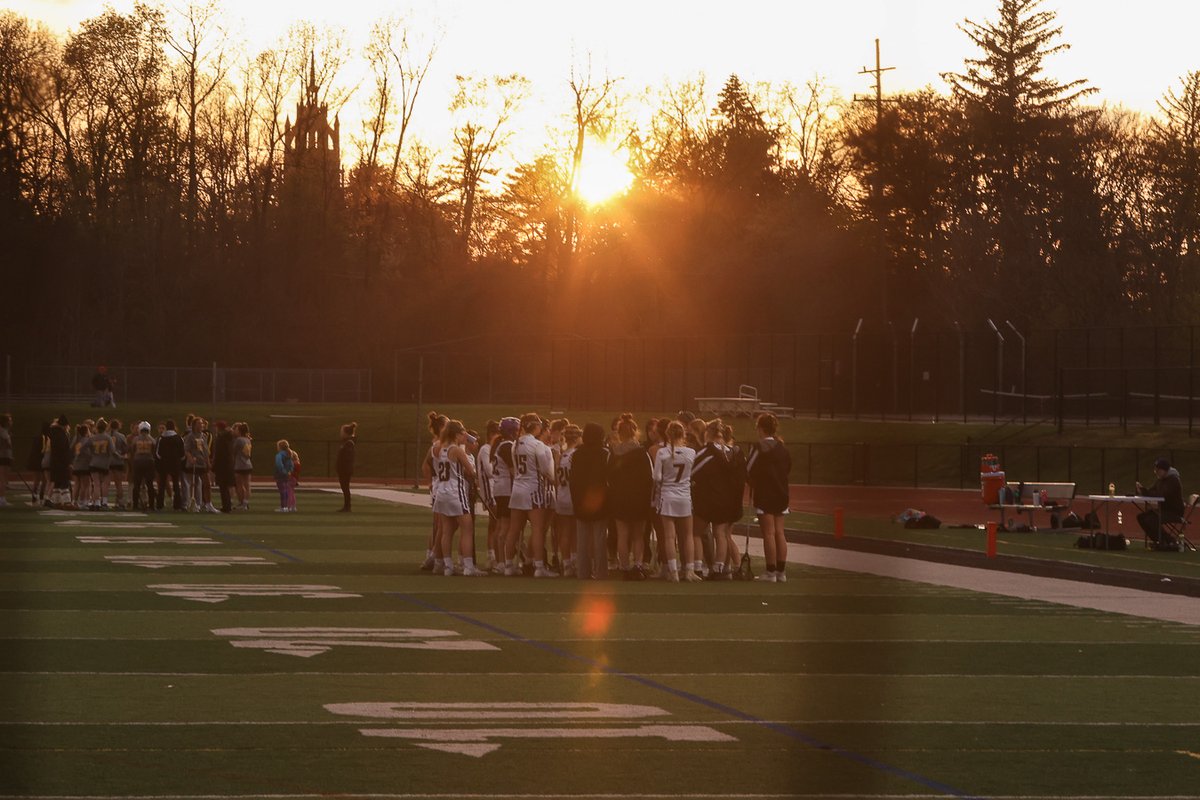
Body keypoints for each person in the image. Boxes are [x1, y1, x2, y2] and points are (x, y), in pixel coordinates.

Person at [431, 419, 483, 576]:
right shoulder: (457, 450)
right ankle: (468, 567)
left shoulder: (437, 448)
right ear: (456, 434)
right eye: (462, 433)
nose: (465, 436)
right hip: (455, 492)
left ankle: (447, 566)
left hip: (441, 492)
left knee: (446, 530)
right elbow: (471, 471)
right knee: (467, 528)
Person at [746, 412, 792, 583]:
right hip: (781, 492)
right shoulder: (783, 448)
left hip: (765, 493)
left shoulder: (758, 447)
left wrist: (753, 481)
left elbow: (748, 468)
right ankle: (781, 572)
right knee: (780, 532)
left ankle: (770, 572)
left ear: (761, 429)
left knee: (769, 533)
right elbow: (787, 469)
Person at [607, 413, 653, 580]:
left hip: (620, 497)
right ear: (635, 432)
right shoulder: (642, 453)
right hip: (639, 497)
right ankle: (638, 565)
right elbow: (650, 477)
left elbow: (609, 476)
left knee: (622, 533)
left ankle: (624, 566)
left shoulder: (615, 452)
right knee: (638, 534)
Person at [655, 420, 700, 582]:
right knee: (688, 535)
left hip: (667, 496)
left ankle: (673, 571)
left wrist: (666, 480)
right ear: (683, 434)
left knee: (669, 537)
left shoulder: (662, 453)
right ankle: (689, 570)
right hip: (684, 497)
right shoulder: (691, 452)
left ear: (667, 434)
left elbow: (656, 477)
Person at [569, 422, 610, 579]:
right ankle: (601, 572)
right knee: (600, 539)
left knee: (582, 540)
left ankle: (583, 572)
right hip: (600, 499)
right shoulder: (605, 453)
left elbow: (573, 480)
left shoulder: (577, 454)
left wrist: (575, 500)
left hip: (580, 499)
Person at [1136, 457, 1185, 548]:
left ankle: (1168, 540)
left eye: (1158, 470)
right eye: (1155, 470)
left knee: (1151, 519)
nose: (1156, 472)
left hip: (1174, 511)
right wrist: (1143, 490)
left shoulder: (1173, 480)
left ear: (1165, 470)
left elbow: (1162, 495)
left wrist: (1147, 492)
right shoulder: (1160, 481)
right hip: (1163, 510)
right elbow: (1152, 491)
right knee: (1141, 517)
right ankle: (1158, 539)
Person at [155, 420, 185, 511]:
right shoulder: (179, 438)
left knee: (162, 485)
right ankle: (177, 505)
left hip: (164, 463)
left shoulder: (162, 438)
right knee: (176, 484)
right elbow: (182, 453)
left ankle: (159, 504)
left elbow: (157, 453)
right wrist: (179, 460)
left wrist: (162, 460)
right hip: (175, 463)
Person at [129, 421, 157, 511]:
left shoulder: (136, 439)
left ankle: (135, 505)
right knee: (150, 484)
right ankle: (152, 505)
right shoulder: (152, 439)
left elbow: (132, 450)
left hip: (138, 462)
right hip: (149, 462)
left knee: (136, 484)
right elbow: (154, 452)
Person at [211, 421, 236, 513]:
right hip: (229, 464)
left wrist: (214, 466)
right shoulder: (229, 437)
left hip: (222, 465)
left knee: (223, 487)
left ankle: (226, 506)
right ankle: (227, 505)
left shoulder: (220, 438)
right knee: (226, 487)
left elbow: (218, 453)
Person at [48, 414, 72, 507]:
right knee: (64, 482)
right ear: (64, 425)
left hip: (54, 461)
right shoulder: (61, 435)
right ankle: (67, 502)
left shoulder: (53, 433)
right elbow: (64, 450)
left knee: (57, 483)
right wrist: (68, 462)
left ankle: (56, 501)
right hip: (61, 462)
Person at [336, 422, 357, 512]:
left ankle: (347, 506)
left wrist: (342, 467)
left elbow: (347, 458)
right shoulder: (346, 443)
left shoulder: (349, 443)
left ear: (345, 433)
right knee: (344, 488)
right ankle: (346, 506)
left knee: (345, 488)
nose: (340, 433)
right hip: (344, 470)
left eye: (342, 432)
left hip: (345, 470)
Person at [108, 419, 128, 509]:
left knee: (104, 483)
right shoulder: (121, 436)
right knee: (118, 484)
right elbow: (126, 448)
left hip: (107, 461)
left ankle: (101, 501)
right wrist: (121, 454)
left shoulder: (106, 435)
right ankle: (120, 502)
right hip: (118, 461)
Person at [233, 423, 253, 510]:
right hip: (248, 464)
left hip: (240, 464)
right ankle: (246, 502)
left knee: (239, 485)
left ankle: (242, 503)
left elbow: (233, 450)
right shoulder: (247, 440)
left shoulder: (239, 440)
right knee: (247, 485)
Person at [274, 440, 295, 512]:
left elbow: (279, 465)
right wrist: (289, 472)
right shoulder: (289, 454)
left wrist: (284, 472)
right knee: (285, 491)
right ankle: (286, 506)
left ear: (280, 447)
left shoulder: (279, 455)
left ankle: (283, 507)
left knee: (282, 492)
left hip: (280, 475)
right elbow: (292, 465)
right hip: (287, 475)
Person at [0, 413, 11, 508]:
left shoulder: (4, 431)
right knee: (3, 479)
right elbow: (5, 443)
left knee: (3, 478)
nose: (11, 422)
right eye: (10, 420)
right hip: (3, 457)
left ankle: (2, 498)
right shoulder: (2, 431)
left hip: (5, 456)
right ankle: (2, 499)